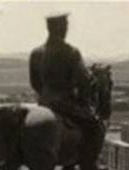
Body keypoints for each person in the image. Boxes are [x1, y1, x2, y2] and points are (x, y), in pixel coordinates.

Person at [27, 12, 104, 154]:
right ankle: (90, 159)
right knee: (94, 125)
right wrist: (82, 100)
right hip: (65, 103)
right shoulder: (71, 52)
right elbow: (83, 82)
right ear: (61, 29)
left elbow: (34, 82)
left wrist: (44, 95)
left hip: (44, 102)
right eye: (65, 27)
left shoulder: (36, 53)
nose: (66, 30)